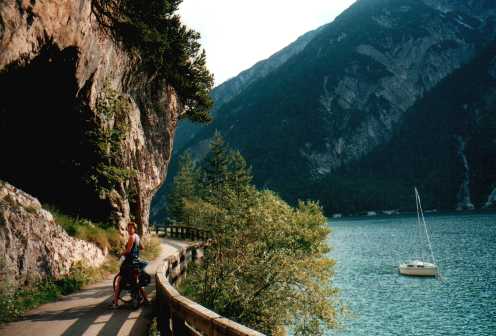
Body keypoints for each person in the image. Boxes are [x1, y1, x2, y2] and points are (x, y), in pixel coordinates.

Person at [112, 221, 149, 308]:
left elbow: (128, 251)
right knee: (137, 281)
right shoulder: (137, 236)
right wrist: (136, 249)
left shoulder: (132, 237)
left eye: (131, 228)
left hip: (129, 262)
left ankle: (116, 303)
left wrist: (121, 254)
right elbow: (142, 247)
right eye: (128, 227)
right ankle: (146, 300)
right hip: (136, 261)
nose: (129, 229)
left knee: (119, 281)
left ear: (134, 228)